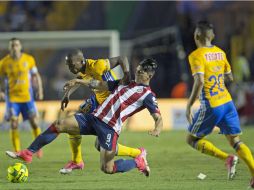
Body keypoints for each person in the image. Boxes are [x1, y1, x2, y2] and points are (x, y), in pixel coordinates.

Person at [6, 58, 163, 177]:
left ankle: (137, 161)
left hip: (109, 128)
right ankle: (29, 152)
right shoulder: (124, 83)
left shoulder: (148, 95)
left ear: (149, 76)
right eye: (138, 69)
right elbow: (99, 84)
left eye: (141, 71)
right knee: (59, 124)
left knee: (107, 168)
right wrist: (78, 81)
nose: (138, 72)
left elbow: (158, 117)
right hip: (93, 118)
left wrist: (157, 128)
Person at [55, 49, 152, 174]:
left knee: (100, 146)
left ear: (79, 61)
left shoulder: (98, 65)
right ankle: (76, 161)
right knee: (73, 122)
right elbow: (79, 79)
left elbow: (121, 58)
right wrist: (67, 94)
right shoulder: (84, 69)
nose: (70, 68)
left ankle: (138, 153)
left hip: (111, 103)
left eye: (72, 65)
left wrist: (127, 75)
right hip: (98, 100)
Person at [186, 21, 254, 188]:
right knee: (236, 141)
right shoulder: (221, 53)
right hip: (228, 102)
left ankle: (227, 158)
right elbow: (230, 77)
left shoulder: (196, 55)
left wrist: (189, 105)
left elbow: (200, 80)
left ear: (196, 36)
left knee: (192, 139)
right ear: (213, 36)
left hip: (212, 104)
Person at [0, 38, 43, 158]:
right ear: (9, 48)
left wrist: (40, 90)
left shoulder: (29, 59)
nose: (14, 47)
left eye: (16, 45)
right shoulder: (4, 62)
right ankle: (18, 151)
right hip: (12, 98)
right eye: (12, 45)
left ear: (20, 47)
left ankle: (38, 147)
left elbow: (35, 75)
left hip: (27, 97)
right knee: (14, 123)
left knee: (34, 123)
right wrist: (1, 91)